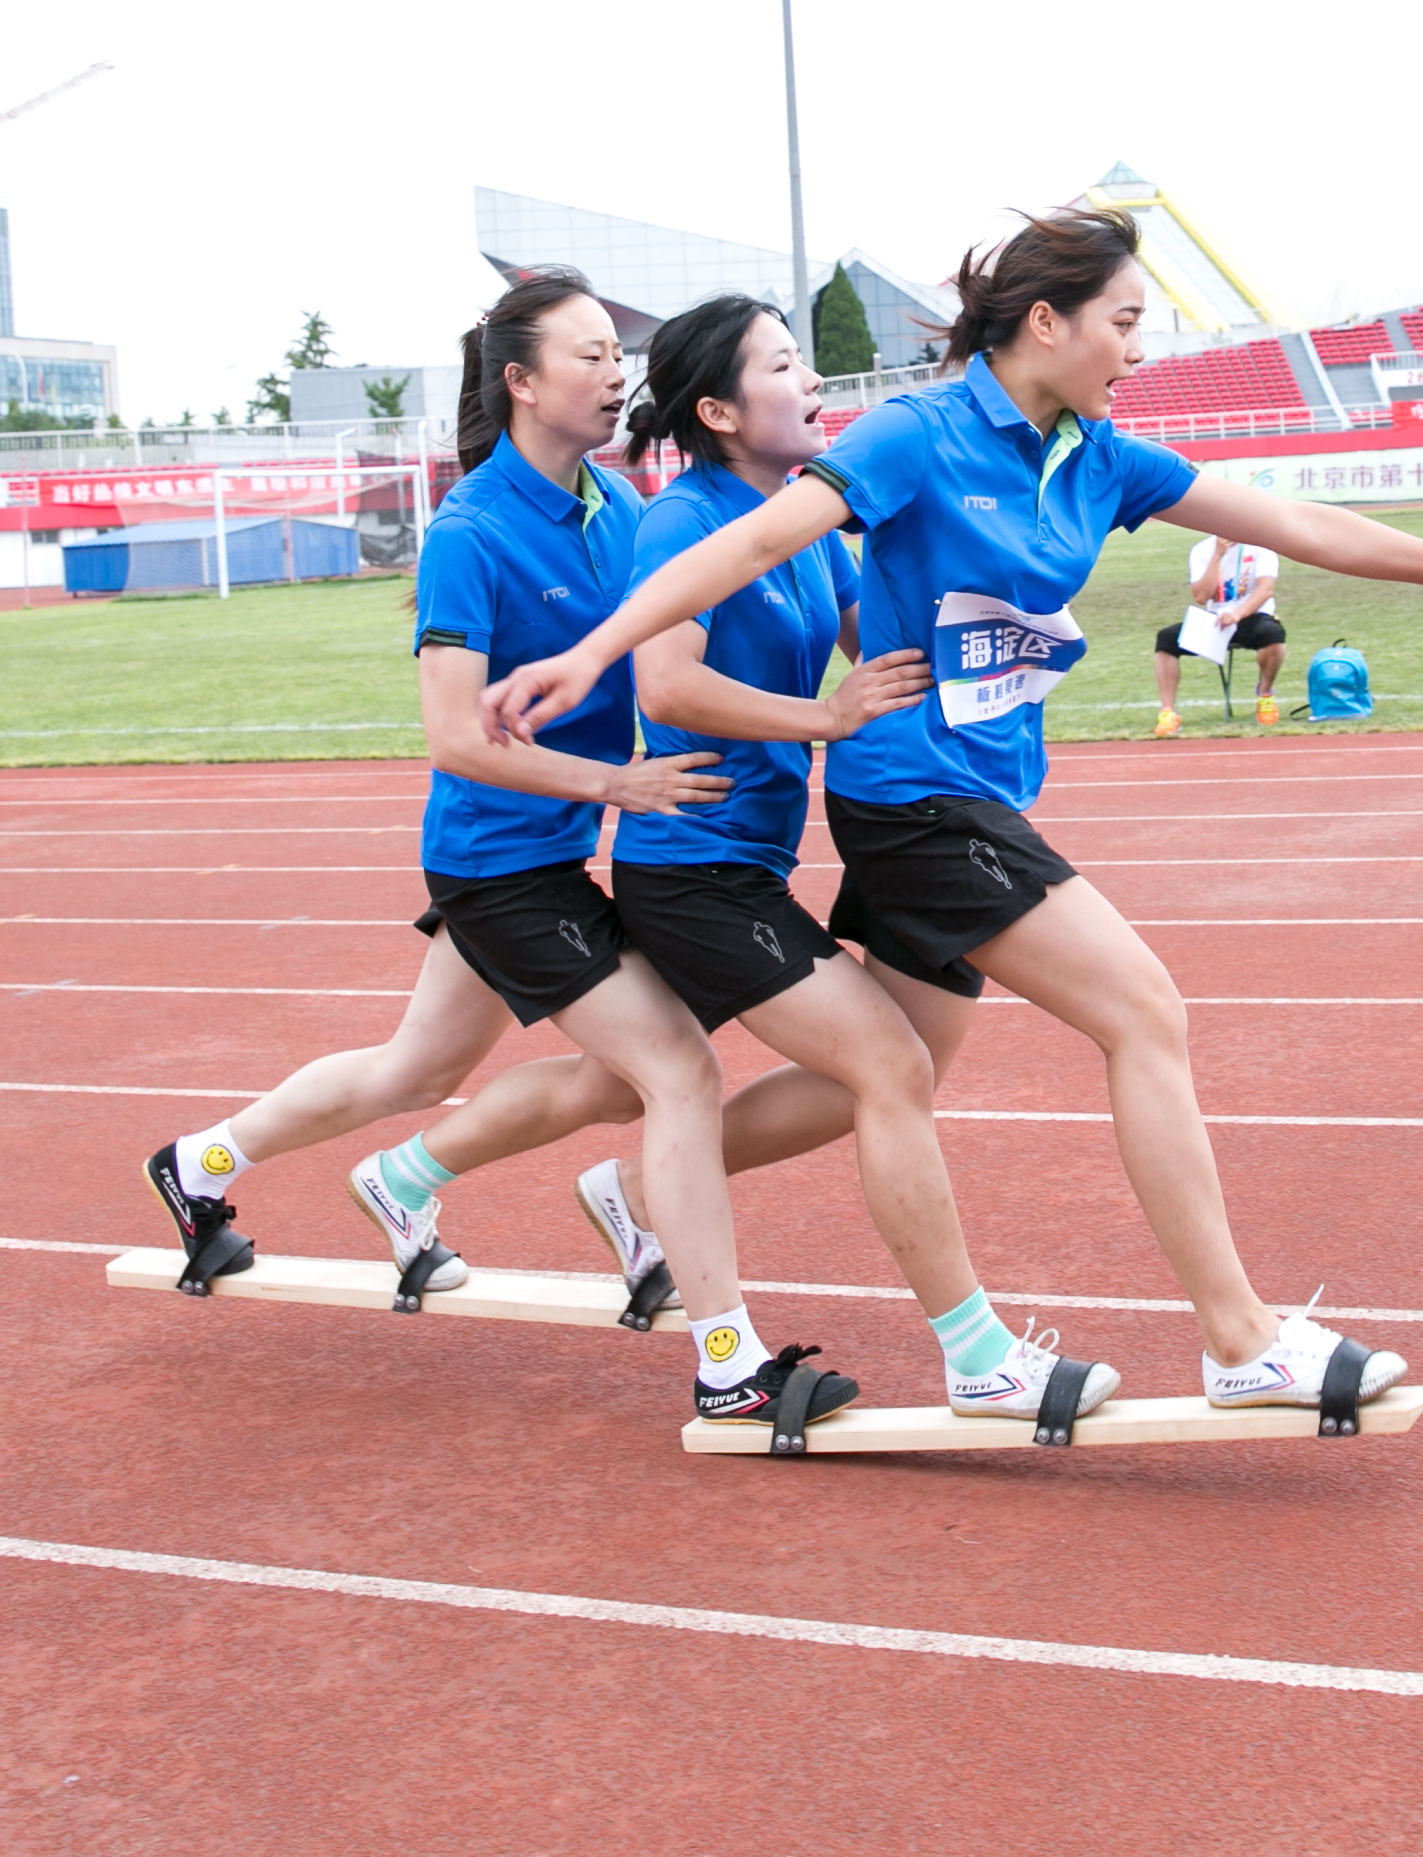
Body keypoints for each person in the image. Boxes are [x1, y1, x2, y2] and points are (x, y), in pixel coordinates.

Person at [489, 199, 1423, 1414]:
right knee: (1143, 1014)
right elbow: (748, 545)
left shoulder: (1099, 454)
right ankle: (1237, 1336)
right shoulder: (917, 434)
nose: (1139, 347)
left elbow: (1295, 524)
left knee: (891, 1076)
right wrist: (599, 656)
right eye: (1123, 322)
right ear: (1047, 322)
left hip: (979, 795)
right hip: (917, 804)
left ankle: (646, 1190)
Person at [364, 292, 1118, 1424]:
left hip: (751, 864)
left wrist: (1004, 618)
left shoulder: (808, 532)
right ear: (718, 408)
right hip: (688, 867)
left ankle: (584, 1190)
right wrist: (824, 721)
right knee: (877, 1069)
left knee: (672, 1084)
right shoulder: (685, 523)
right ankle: (970, 1355)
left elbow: (893, 645)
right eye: (784, 366)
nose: (816, 384)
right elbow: (667, 686)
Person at [141, 267, 860, 1428]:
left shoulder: (621, 507)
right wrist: (615, 781)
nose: (614, 370)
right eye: (588, 354)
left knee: (414, 1072)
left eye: (616, 353)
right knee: (673, 1070)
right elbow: (450, 735)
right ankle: (728, 1359)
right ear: (522, 382)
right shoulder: (469, 532)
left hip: (563, 849)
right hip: (499, 863)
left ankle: (203, 1163)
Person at [1151, 530, 1284, 734]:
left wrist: (1238, 614)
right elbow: (1201, 597)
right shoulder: (1201, 550)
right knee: (1166, 639)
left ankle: (1265, 693)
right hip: (1216, 619)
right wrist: (1217, 556)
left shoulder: (1261, 546)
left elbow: (1265, 590)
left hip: (1252, 615)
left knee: (1273, 634)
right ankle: (1168, 711)